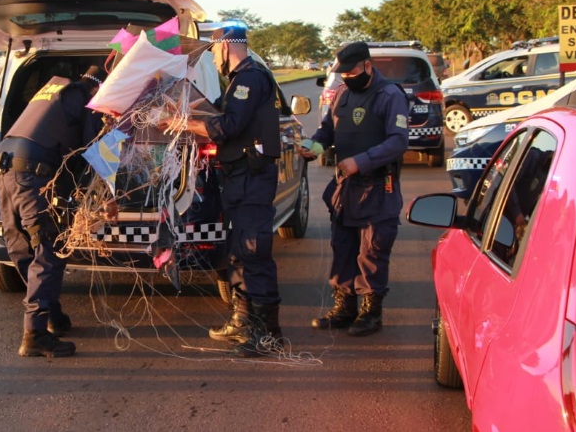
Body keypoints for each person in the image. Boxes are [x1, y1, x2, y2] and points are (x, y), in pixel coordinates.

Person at [161, 23, 287, 357]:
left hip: (251, 178)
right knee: (237, 252)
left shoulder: (250, 79)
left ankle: (267, 333)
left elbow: (227, 126)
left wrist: (182, 123)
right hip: (237, 178)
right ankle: (243, 320)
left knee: (253, 251)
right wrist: (181, 111)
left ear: (226, 47)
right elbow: (215, 113)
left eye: (214, 51)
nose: (214, 59)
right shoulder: (237, 82)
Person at [0, 65, 106, 358]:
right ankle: (35, 335)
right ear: (99, 89)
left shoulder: (53, 90)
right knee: (48, 250)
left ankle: (51, 314)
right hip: (32, 174)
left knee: (20, 245)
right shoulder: (87, 101)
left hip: (3, 167)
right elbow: (92, 154)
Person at [299, 41, 410, 337]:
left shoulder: (389, 95)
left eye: (351, 72)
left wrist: (361, 162)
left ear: (367, 66)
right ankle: (344, 307)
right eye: (343, 74)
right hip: (346, 188)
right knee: (343, 246)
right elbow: (327, 129)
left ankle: (371, 312)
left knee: (372, 250)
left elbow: (398, 142)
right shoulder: (343, 95)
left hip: (377, 186)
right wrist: (315, 145)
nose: (347, 77)